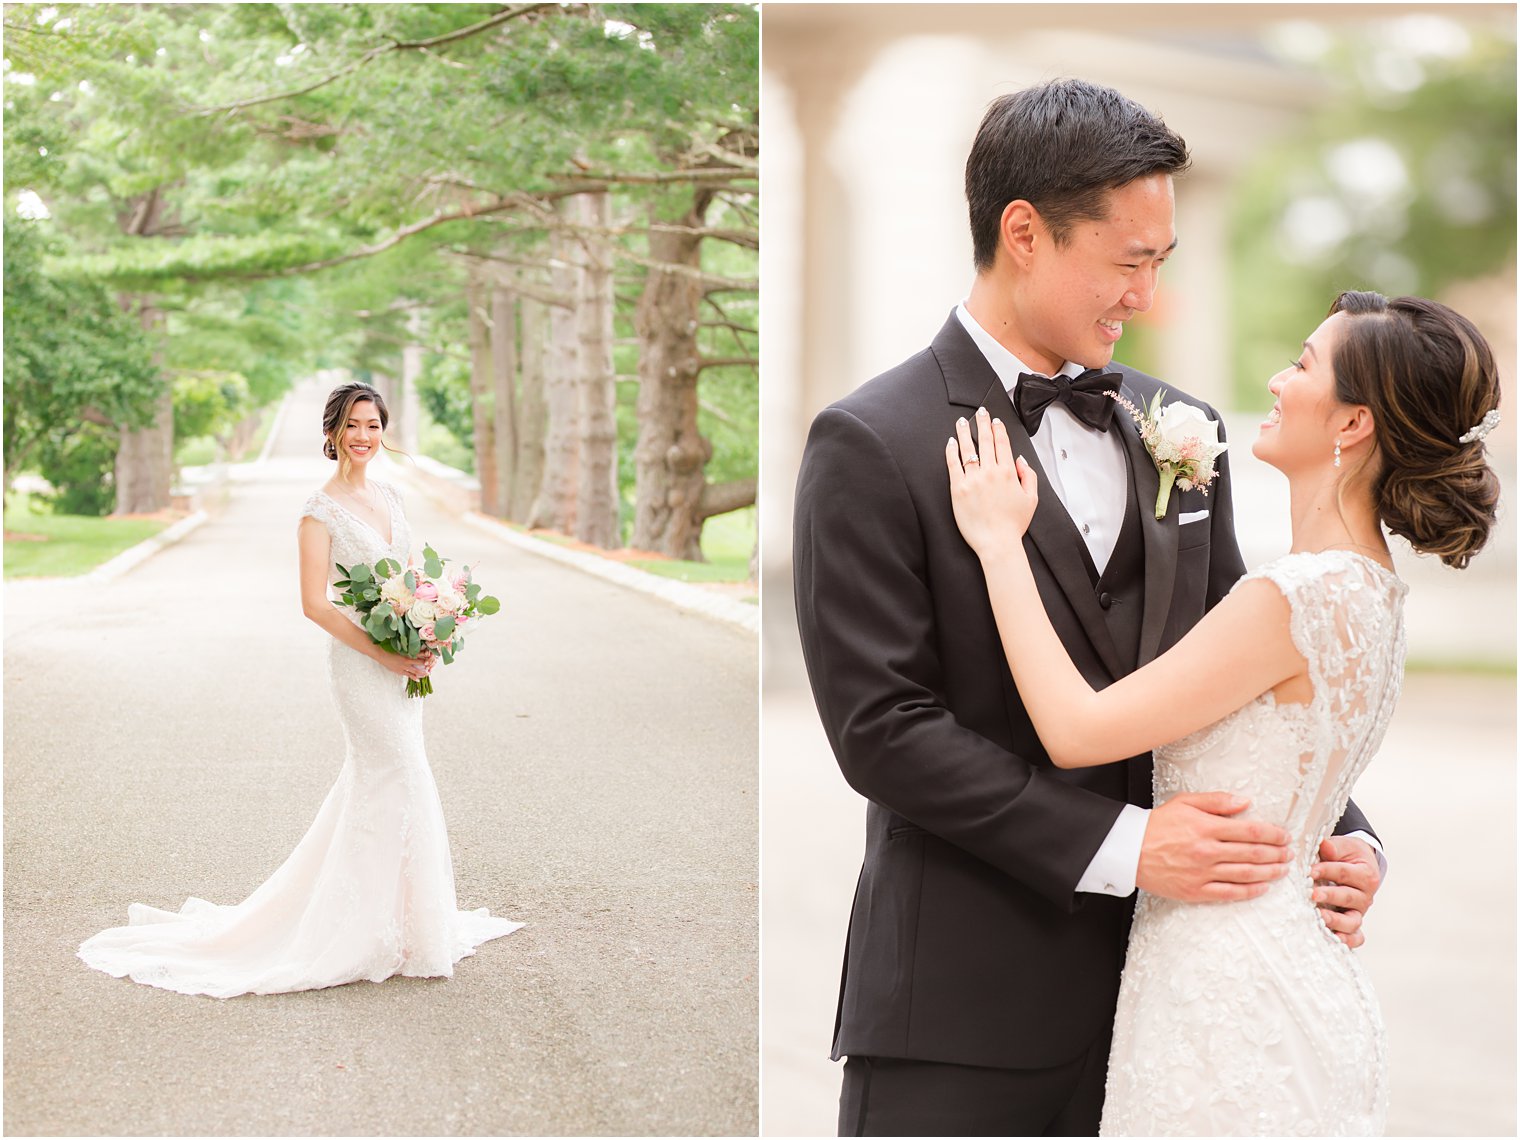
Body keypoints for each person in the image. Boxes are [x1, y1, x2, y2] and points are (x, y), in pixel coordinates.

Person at [793, 79, 1385, 1135]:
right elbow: (880, 729)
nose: (1146, 297)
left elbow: (1235, 667)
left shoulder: (1181, 427)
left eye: (1160, 262)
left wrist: (1337, 836)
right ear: (1023, 233)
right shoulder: (870, 440)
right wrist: (1123, 845)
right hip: (961, 1016)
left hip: (1186, 1005)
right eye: (1128, 261)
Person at [945, 290, 1500, 1134]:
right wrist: (1365, 851)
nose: (1279, 380)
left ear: (1351, 426)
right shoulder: (1372, 591)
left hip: (1228, 998)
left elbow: (1076, 730)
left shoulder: (1290, 598)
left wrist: (998, 546)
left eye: (1305, 364)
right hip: (1295, 975)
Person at [78, 382, 521, 998]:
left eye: (373, 425)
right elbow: (314, 603)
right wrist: (382, 653)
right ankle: (360, 931)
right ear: (333, 432)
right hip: (360, 666)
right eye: (353, 426)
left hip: (400, 662)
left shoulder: (392, 495)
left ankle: (404, 923)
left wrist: (426, 632)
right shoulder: (320, 510)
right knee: (399, 772)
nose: (364, 437)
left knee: (386, 782)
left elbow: (414, 577)